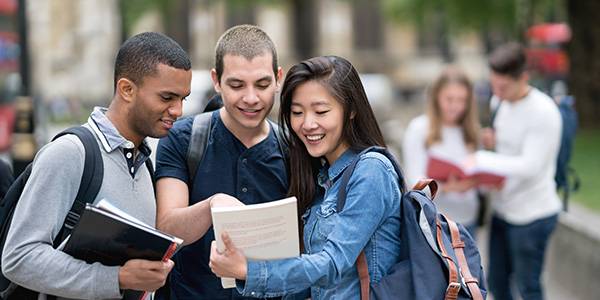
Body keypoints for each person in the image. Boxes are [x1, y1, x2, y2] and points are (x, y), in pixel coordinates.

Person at [1, 32, 191, 299]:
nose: (178, 110)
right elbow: (18, 258)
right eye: (167, 97)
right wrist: (116, 278)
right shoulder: (69, 154)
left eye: (183, 98)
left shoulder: (145, 166)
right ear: (126, 89)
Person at [209, 55, 404, 299]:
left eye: (321, 111)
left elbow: (331, 264)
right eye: (297, 112)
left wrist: (250, 270)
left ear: (352, 110)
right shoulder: (321, 177)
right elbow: (310, 281)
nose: (307, 124)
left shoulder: (372, 171)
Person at [154, 24, 288, 299]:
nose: (251, 98)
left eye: (262, 85)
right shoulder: (183, 138)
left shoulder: (294, 149)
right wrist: (212, 205)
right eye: (237, 85)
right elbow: (166, 229)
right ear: (216, 80)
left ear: (278, 78)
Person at [476, 42, 562, 300]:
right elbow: (506, 156)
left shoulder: (543, 111)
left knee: (528, 287)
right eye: (494, 85)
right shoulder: (498, 103)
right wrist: (492, 147)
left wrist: (481, 160)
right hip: (503, 211)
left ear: (523, 77)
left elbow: (530, 165)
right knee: (497, 284)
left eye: (503, 87)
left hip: (533, 215)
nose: (497, 92)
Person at [402, 67, 481, 236]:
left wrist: (477, 182)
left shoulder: (473, 132)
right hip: (433, 222)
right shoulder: (419, 128)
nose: (456, 106)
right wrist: (446, 188)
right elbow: (413, 181)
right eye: (449, 99)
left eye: (462, 100)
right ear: (436, 97)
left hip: (467, 221)